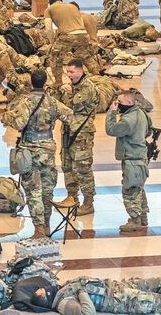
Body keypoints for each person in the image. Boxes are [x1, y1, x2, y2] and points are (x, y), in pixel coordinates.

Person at [2, 69, 73, 237]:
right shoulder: (52, 101)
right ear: (45, 82)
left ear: (31, 83)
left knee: (34, 191)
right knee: (47, 190)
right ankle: (47, 225)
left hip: (30, 150)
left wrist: (7, 117)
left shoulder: (26, 101)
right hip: (48, 148)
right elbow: (69, 116)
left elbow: (19, 123)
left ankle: (39, 229)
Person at [53, 59, 99, 215]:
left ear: (80, 71)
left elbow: (72, 106)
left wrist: (67, 91)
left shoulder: (88, 88)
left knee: (82, 168)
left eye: (72, 72)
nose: (69, 74)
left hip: (81, 134)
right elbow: (56, 103)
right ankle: (72, 196)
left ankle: (88, 202)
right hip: (67, 130)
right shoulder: (70, 87)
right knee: (67, 165)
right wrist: (63, 90)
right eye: (68, 71)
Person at [105, 88, 153, 233]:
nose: (117, 104)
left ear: (129, 102)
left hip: (132, 158)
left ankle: (135, 220)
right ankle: (142, 216)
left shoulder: (128, 119)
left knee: (130, 189)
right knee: (138, 187)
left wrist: (111, 113)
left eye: (119, 102)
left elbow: (111, 130)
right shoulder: (142, 113)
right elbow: (149, 131)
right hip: (141, 156)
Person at [54, 276, 161, 315]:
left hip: (117, 285)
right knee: (159, 301)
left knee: (160, 282)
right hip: (118, 299)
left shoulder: (61, 287)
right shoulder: (62, 302)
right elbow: (86, 313)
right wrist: (81, 291)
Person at [44, 0, 99, 87]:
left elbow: (48, 28)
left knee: (55, 58)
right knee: (85, 56)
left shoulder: (49, 9)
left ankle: (58, 82)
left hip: (68, 35)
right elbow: (80, 21)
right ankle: (97, 74)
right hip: (82, 34)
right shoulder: (72, 6)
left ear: (50, 3)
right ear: (61, 0)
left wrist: (52, 42)